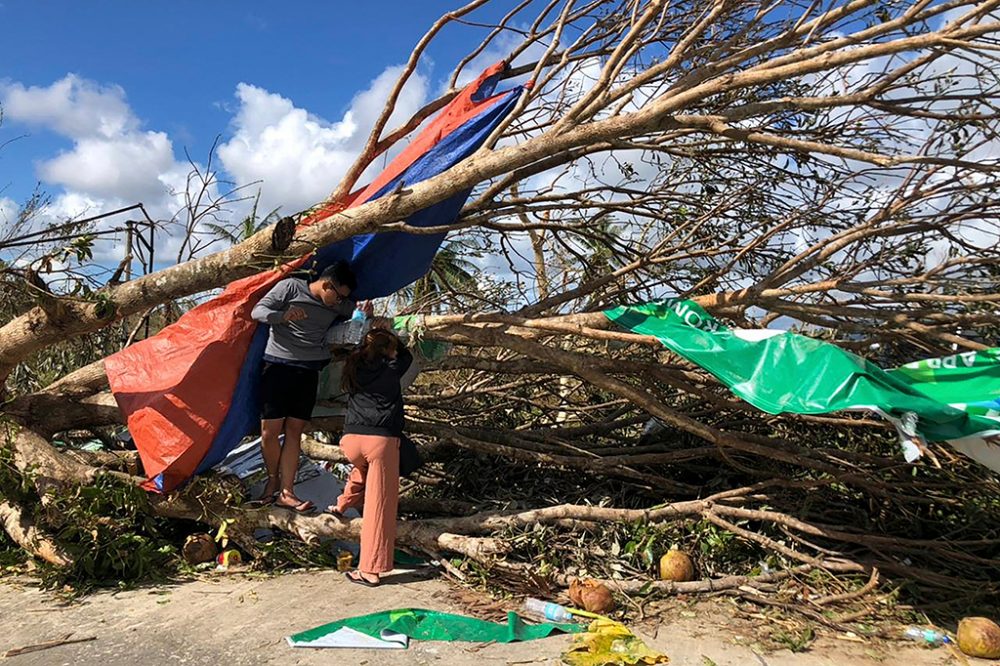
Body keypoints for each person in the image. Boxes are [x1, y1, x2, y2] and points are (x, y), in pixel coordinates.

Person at [250, 260, 369, 513]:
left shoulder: (338, 303)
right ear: (326, 285)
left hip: (309, 370)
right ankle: (271, 483)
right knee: (270, 431)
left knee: (294, 431)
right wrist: (282, 316)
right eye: (337, 296)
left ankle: (287, 492)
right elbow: (257, 312)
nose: (338, 303)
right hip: (278, 366)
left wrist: (365, 313)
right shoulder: (290, 288)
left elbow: (354, 313)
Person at [326, 328, 413, 586]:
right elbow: (406, 356)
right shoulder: (392, 369)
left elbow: (359, 348)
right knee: (379, 506)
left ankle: (341, 505)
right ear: (389, 350)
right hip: (380, 440)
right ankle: (370, 570)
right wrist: (395, 338)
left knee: (361, 470)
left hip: (352, 439)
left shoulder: (354, 365)